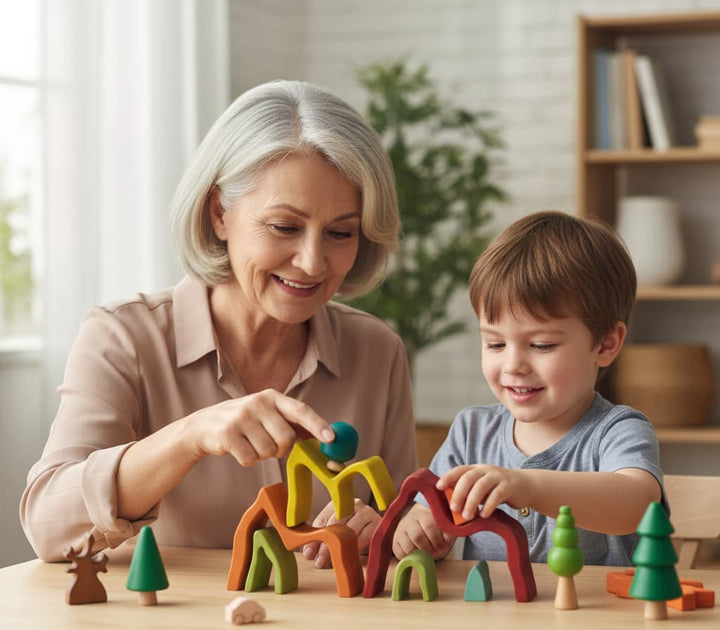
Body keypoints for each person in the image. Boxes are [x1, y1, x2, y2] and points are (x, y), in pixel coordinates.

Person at [21, 80, 417, 565]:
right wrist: (189, 437)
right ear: (218, 214)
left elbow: (408, 524)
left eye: (340, 232)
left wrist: (388, 531)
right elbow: (47, 524)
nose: (314, 262)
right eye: (284, 227)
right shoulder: (122, 338)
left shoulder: (377, 350)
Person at [392, 211, 664, 566]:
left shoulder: (617, 431)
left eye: (542, 345)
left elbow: (637, 503)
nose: (513, 366)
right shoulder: (471, 432)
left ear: (605, 344)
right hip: (494, 619)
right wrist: (418, 527)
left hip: (596, 620)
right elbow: (426, 513)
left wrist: (530, 486)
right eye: (495, 344)